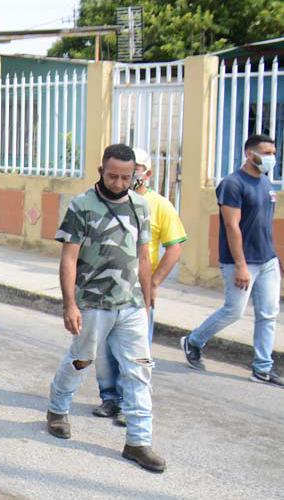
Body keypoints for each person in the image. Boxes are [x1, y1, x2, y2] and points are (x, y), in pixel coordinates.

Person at [46, 144, 166, 473]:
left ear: (135, 175)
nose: (118, 182)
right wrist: (69, 304)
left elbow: (143, 256)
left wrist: (148, 293)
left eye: (126, 177)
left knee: (140, 369)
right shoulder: (82, 206)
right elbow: (68, 259)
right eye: (112, 175)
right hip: (92, 303)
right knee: (81, 360)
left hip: (130, 305)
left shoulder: (141, 207)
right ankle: (57, 408)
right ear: (101, 170)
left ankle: (138, 441)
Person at [94, 148, 186, 427]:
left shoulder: (159, 206)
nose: (131, 177)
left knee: (136, 354)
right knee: (104, 351)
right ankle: (110, 397)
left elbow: (174, 249)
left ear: (146, 172)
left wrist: (154, 284)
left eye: (137, 170)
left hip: (137, 290)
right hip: (103, 289)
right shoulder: (100, 201)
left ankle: (130, 406)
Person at [182, 134, 283, 387]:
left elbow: (264, 224)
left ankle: (262, 368)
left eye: (273, 152)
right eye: (266, 152)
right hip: (241, 261)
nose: (271, 157)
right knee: (234, 311)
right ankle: (193, 341)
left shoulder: (266, 184)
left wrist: (274, 256)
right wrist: (240, 265)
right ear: (250, 154)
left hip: (267, 260)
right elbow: (231, 225)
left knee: (268, 314)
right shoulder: (232, 184)